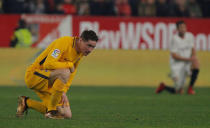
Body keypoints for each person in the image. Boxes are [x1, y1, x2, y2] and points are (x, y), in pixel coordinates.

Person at [16, 30, 98, 119]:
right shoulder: (64, 43)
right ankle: (51, 111)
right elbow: (48, 64)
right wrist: (69, 64)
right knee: (65, 72)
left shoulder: (81, 53)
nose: (90, 50)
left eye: (93, 47)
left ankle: (26, 102)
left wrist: (63, 91)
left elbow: (72, 73)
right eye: (89, 45)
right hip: (34, 75)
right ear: (81, 40)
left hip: (50, 82)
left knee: (66, 114)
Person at [156, 21, 200, 95]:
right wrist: (189, 59)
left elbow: (193, 49)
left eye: (184, 27)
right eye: (181, 27)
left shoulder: (190, 36)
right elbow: (174, 56)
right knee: (178, 90)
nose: (183, 29)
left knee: (196, 63)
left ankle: (190, 88)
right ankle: (163, 86)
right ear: (177, 29)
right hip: (176, 65)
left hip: (187, 63)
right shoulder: (174, 39)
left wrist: (193, 58)